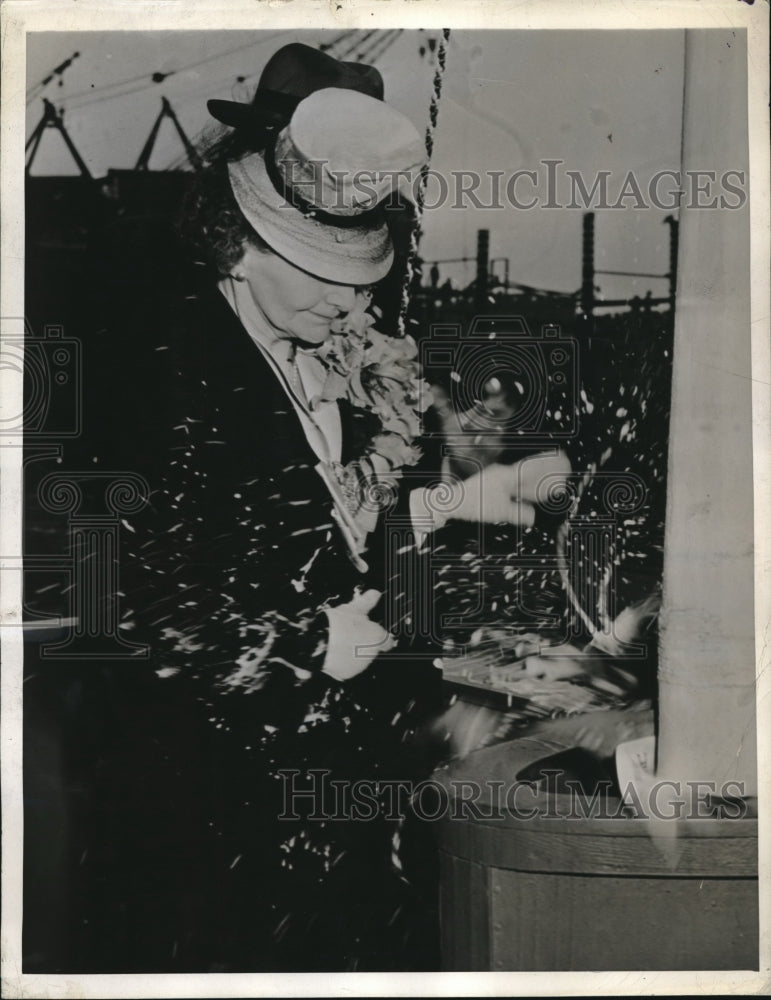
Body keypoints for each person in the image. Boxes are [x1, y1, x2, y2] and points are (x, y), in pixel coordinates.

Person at [76, 44, 571, 972]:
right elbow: (122, 593)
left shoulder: (340, 349)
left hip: (341, 785)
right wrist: (305, 643)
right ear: (235, 238)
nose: (351, 300)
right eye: (318, 269)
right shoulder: (157, 366)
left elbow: (357, 531)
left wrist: (436, 510)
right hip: (209, 803)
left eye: (361, 273)